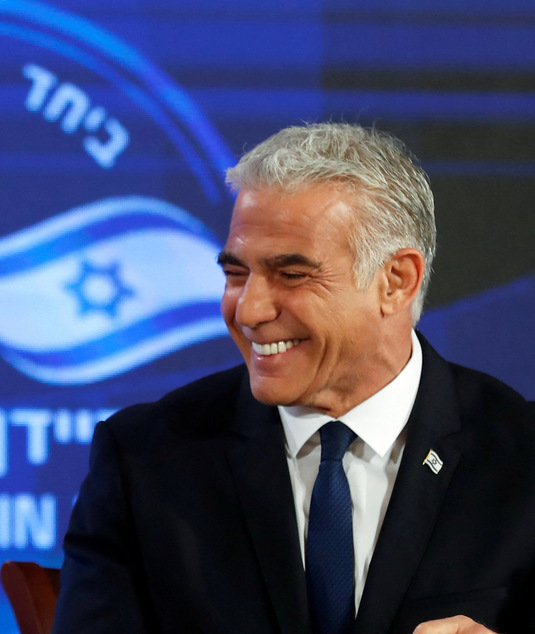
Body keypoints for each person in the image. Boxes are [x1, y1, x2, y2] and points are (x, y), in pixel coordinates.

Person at [52, 123, 535, 634]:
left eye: (292, 275)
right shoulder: (145, 461)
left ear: (396, 281)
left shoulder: (520, 458)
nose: (250, 310)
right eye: (236, 274)